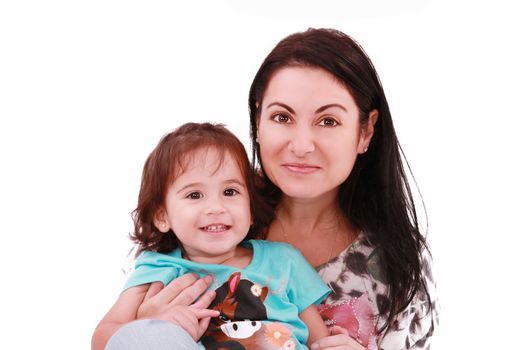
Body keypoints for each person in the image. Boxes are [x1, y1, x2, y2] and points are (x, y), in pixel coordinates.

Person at [100, 28, 439, 350]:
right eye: (282, 117)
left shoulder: (397, 263)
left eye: (328, 121)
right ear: (258, 122)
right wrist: (146, 328)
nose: (302, 144)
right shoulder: (200, 223)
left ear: (365, 132)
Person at [92, 122, 332, 350]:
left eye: (230, 191)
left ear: (250, 209)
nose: (216, 207)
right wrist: (154, 325)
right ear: (162, 216)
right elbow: (104, 338)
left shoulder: (283, 261)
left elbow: (321, 341)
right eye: (195, 195)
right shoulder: (159, 267)